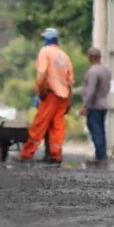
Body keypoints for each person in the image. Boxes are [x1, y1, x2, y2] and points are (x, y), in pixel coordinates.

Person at [20, 28, 74, 164]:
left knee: (39, 124)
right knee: (57, 126)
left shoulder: (45, 52)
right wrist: (69, 101)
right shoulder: (64, 56)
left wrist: (40, 90)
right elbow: (70, 81)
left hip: (51, 94)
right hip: (64, 96)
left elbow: (42, 73)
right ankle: (55, 155)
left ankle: (27, 154)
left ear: (46, 39)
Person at [80, 47, 111, 163]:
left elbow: (91, 90)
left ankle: (101, 155)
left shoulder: (93, 71)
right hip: (104, 103)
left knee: (95, 129)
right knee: (101, 129)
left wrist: (85, 105)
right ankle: (101, 153)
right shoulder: (106, 70)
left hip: (94, 105)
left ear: (90, 58)